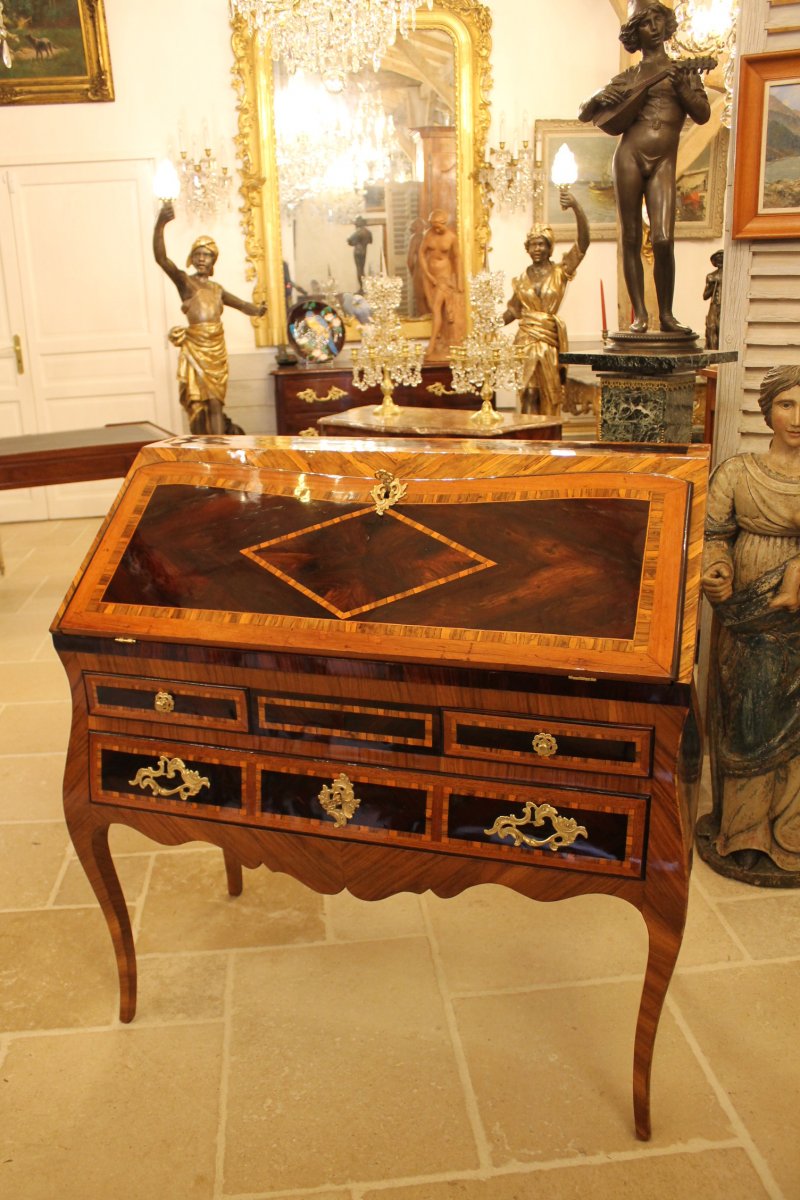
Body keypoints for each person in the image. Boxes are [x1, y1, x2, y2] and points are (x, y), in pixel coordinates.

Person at [698, 364, 800, 884]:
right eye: (787, 404)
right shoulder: (737, 473)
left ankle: (790, 834)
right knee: (746, 718)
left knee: (794, 728)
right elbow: (715, 533)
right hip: (744, 616)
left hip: (797, 623)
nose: (797, 418)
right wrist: (717, 570)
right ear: (768, 412)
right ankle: (742, 833)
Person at [578, 0, 711, 335]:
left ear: (666, 27)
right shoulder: (629, 77)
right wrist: (598, 99)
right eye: (644, 24)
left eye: (656, 21)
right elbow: (586, 111)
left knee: (664, 239)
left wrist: (682, 86)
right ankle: (640, 315)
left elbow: (703, 114)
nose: (651, 28)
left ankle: (666, 314)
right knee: (631, 237)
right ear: (634, 33)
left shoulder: (683, 72)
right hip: (629, 157)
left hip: (664, 160)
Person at [153, 201, 266, 435]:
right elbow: (162, 259)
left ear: (213, 260)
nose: (202, 259)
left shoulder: (217, 289)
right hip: (195, 346)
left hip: (216, 349)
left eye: (207, 255)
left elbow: (242, 305)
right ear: (191, 258)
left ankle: (220, 451)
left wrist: (258, 310)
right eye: (198, 254)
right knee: (198, 405)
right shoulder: (185, 282)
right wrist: (160, 225)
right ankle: (201, 451)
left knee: (216, 402)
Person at [502, 191, 589, 416]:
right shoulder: (521, 280)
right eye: (533, 245)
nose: (537, 249)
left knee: (549, 395)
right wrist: (487, 323)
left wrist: (576, 207)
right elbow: (513, 310)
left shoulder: (560, 272)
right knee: (529, 393)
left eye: (541, 244)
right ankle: (530, 440)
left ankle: (548, 439)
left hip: (549, 343)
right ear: (527, 248)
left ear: (549, 247)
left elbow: (583, 244)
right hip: (525, 342)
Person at [419, 209, 464, 360]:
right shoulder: (428, 235)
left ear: (445, 223)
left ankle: (431, 344)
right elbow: (421, 254)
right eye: (433, 226)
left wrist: (459, 281)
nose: (436, 229)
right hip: (429, 276)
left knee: (437, 309)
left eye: (439, 226)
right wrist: (427, 274)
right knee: (434, 309)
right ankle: (441, 340)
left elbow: (457, 258)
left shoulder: (452, 237)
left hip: (444, 277)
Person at [703, 249, 724, 349]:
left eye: (722, 258)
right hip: (714, 305)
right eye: (718, 258)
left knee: (721, 329)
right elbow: (705, 296)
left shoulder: (730, 275)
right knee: (711, 327)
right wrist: (711, 287)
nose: (720, 260)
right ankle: (713, 354)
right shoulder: (711, 276)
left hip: (725, 306)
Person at [347, 216, 373, 292]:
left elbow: (349, 240)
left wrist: (353, 242)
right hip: (364, 251)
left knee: (359, 270)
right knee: (362, 269)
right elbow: (370, 241)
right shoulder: (368, 232)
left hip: (357, 251)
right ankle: (363, 286)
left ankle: (362, 287)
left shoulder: (358, 232)